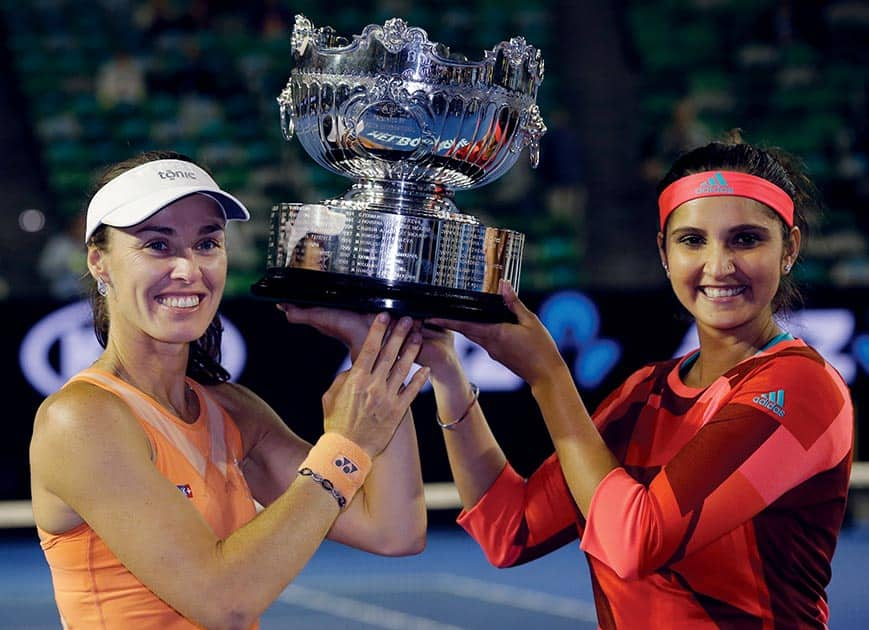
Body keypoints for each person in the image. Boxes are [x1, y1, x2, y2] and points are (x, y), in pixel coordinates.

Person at [417, 136, 854, 628]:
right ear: (664, 253)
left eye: (746, 239)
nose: (719, 265)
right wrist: (447, 373)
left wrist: (549, 377)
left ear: (789, 248)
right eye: (693, 240)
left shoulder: (798, 385)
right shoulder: (643, 392)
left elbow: (635, 541)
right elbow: (509, 531)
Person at [29, 150, 430, 629]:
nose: (188, 269)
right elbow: (226, 603)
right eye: (157, 245)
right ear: (100, 263)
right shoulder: (81, 419)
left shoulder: (232, 410)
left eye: (207, 243)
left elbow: (394, 531)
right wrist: (347, 446)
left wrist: (372, 343)